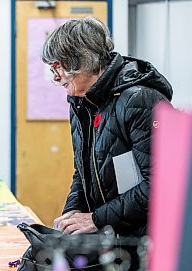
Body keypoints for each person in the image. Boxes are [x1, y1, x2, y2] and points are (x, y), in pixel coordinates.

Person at [43, 17, 173, 236]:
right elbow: (83, 171)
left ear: (82, 61)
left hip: (146, 242)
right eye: (52, 69)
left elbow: (160, 184)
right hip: (111, 235)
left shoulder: (140, 100)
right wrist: (72, 213)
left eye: (59, 67)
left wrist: (95, 219)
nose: (56, 77)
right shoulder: (81, 103)